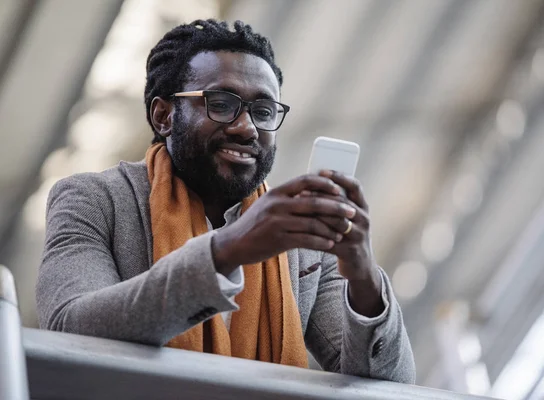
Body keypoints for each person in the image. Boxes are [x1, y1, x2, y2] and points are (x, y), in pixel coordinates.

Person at [36, 19, 415, 383]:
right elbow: (73, 328)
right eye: (221, 103)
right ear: (164, 115)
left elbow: (387, 383)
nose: (246, 127)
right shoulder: (92, 199)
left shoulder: (305, 242)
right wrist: (228, 250)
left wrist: (364, 276)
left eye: (263, 111)